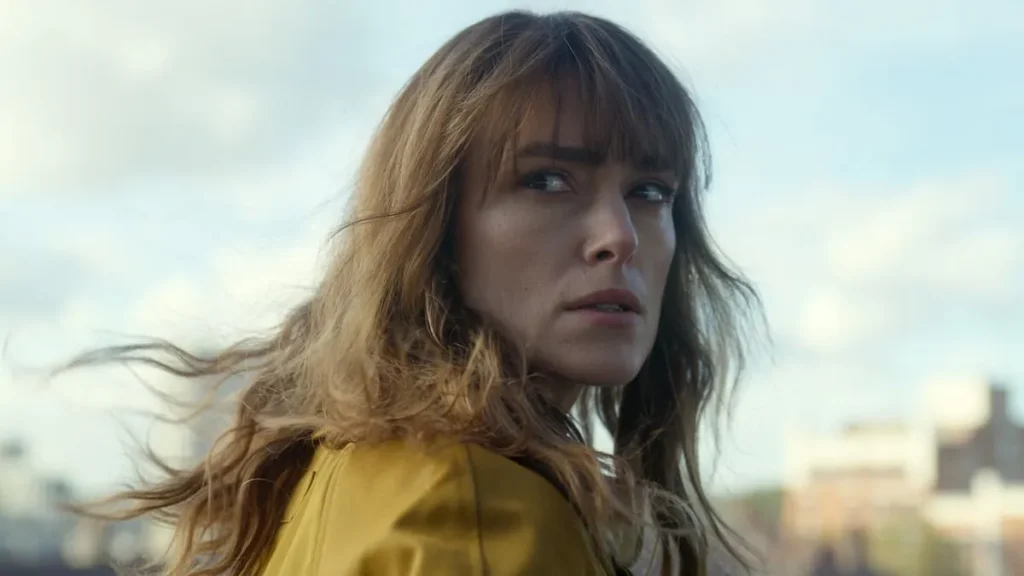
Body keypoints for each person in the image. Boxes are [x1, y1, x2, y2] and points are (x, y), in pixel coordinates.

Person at [67, 9, 761, 576]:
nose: (620, 236)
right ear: (435, 231)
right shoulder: (472, 515)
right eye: (548, 180)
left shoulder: (347, 469)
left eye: (651, 191)